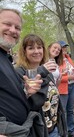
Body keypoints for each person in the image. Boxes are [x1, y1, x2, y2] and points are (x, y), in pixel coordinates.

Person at [0, 8, 44, 136]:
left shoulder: (5, 58)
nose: (13, 30)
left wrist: (26, 92)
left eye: (17, 27)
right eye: (7, 24)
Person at [16, 34, 67, 137]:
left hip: (54, 128)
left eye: (39, 47)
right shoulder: (19, 72)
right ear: (24, 52)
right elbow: (30, 103)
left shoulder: (47, 71)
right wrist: (41, 71)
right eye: (31, 48)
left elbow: (54, 97)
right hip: (37, 131)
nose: (36, 51)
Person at [58, 40, 74, 137]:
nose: (64, 49)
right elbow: (56, 77)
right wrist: (68, 78)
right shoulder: (56, 61)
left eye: (65, 47)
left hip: (72, 86)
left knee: (70, 110)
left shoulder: (68, 58)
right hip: (63, 89)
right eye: (62, 47)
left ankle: (71, 130)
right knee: (63, 111)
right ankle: (64, 132)